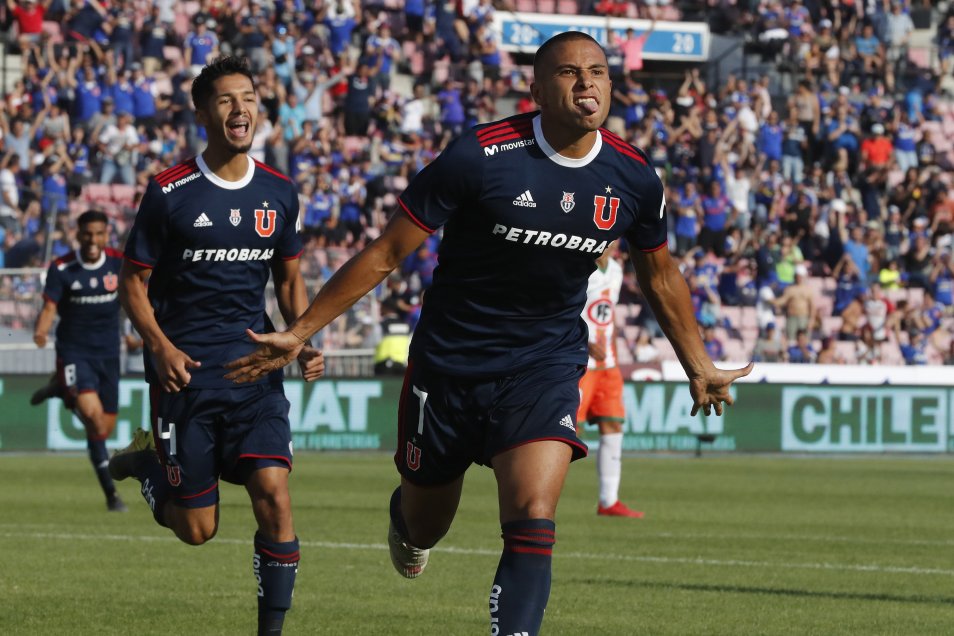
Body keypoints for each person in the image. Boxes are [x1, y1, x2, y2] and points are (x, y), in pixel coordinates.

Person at [224, 33, 751, 636]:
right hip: (448, 369)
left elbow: (660, 275)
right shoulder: (479, 156)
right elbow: (388, 251)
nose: (586, 84)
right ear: (536, 88)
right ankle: (406, 521)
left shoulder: (634, 178)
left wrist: (699, 363)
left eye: (599, 72)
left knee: (532, 512)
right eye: (569, 73)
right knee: (426, 523)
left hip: (543, 367)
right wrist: (300, 331)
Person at [108, 57, 324, 636]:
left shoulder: (280, 192)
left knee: (275, 496)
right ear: (204, 113)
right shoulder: (169, 193)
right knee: (197, 530)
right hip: (187, 380)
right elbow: (132, 283)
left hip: (257, 373)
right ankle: (148, 464)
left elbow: (288, 280)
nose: (240, 108)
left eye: (248, 96)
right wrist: (159, 347)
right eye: (226, 100)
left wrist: (301, 338)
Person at [31, 210, 127, 513]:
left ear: (107, 233)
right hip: (75, 352)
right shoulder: (62, 267)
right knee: (93, 418)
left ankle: (61, 388)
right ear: (78, 234)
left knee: (103, 428)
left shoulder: (117, 262)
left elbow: (137, 297)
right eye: (87, 234)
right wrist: (41, 330)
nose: (92, 240)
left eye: (99, 233)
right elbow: (49, 307)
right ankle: (112, 496)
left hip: (109, 355)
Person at [576, 241, 643, 518]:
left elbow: (607, 315)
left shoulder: (615, 270)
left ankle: (608, 500)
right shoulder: (579, 268)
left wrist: (612, 349)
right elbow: (563, 311)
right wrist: (586, 342)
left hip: (608, 364)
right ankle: (533, 498)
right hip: (579, 360)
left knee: (613, 424)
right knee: (568, 432)